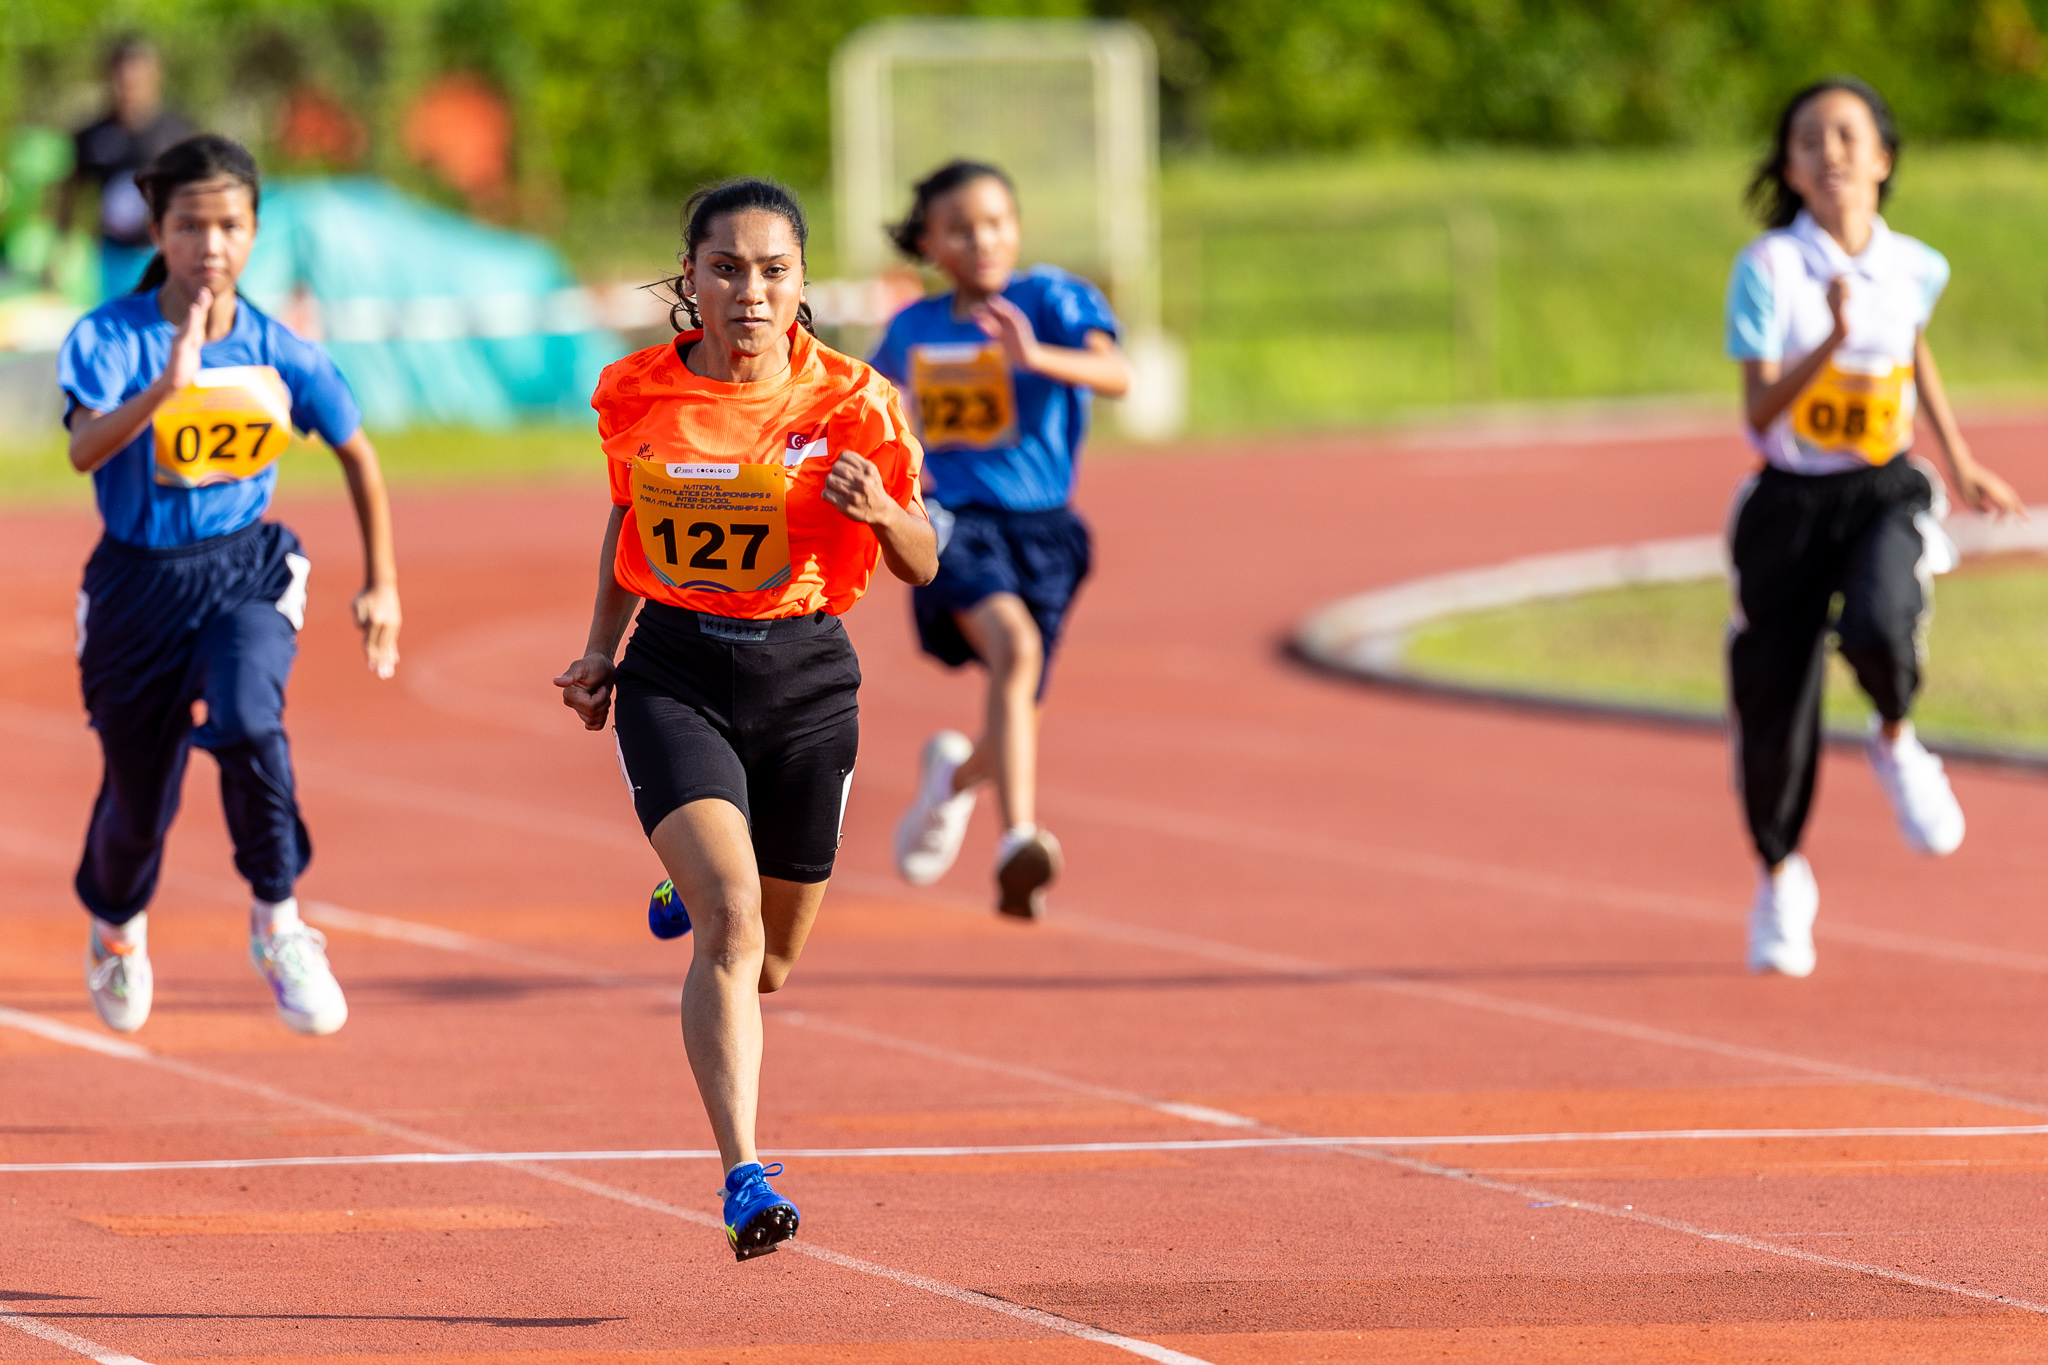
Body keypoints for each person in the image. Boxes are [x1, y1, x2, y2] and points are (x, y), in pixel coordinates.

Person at [552, 179, 935, 1261]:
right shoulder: (635, 394)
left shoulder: (855, 401)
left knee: (768, 963)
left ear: (803, 284)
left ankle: (692, 880)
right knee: (730, 926)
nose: (751, 293)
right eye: (727, 269)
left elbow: (922, 560)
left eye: (773, 272)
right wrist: (597, 650)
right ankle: (742, 1172)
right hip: (675, 671)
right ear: (691, 281)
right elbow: (626, 522)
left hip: (808, 678)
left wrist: (882, 512)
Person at [59, 134, 402, 1036]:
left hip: (243, 569)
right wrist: (164, 389)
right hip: (136, 588)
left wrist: (383, 582)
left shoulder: (278, 349)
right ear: (161, 232)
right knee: (140, 803)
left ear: (253, 233)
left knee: (253, 716)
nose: (212, 244)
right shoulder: (108, 338)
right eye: (191, 225)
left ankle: (280, 921)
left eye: (231, 225)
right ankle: (117, 927)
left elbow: (357, 453)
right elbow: (82, 448)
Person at [1723, 77, 2024, 977]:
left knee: (1883, 619)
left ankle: (1897, 735)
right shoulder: (1769, 269)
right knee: (1772, 708)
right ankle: (1781, 878)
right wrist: (1826, 344)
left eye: (1849, 136)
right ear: (1790, 168)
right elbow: (1758, 412)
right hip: (1788, 503)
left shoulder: (1915, 266)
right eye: (1810, 140)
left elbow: (1913, 349)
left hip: (1880, 489)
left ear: (1884, 160)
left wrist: (1961, 458)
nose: (1832, 153)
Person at [871, 160, 1130, 920]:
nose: (982, 240)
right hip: (954, 519)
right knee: (1014, 652)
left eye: (996, 222)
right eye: (960, 228)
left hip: (1048, 530)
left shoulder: (1051, 298)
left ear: (1016, 227)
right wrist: (901, 432)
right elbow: (881, 419)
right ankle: (1019, 839)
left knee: (1016, 716)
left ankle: (950, 781)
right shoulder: (913, 328)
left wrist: (1035, 358)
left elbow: (1116, 375)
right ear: (930, 241)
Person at [57, 37, 194, 302]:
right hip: (113, 255)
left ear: (155, 78)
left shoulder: (175, 131)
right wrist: (62, 244)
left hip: (163, 252)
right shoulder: (92, 135)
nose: (128, 90)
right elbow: (71, 191)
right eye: (122, 81)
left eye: (136, 81)